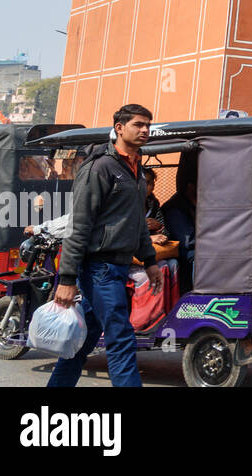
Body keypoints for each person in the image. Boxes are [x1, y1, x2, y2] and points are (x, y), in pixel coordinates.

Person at [48, 104, 162, 388]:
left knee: (80, 341)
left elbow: (136, 221)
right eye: (138, 124)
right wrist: (67, 278)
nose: (145, 130)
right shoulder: (100, 166)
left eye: (148, 124)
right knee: (120, 338)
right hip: (98, 268)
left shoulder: (135, 168)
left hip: (118, 267)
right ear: (119, 128)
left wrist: (149, 261)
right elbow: (79, 225)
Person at [163, 154, 199, 292]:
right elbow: (187, 242)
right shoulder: (175, 208)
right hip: (183, 252)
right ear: (190, 187)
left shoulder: (192, 205)